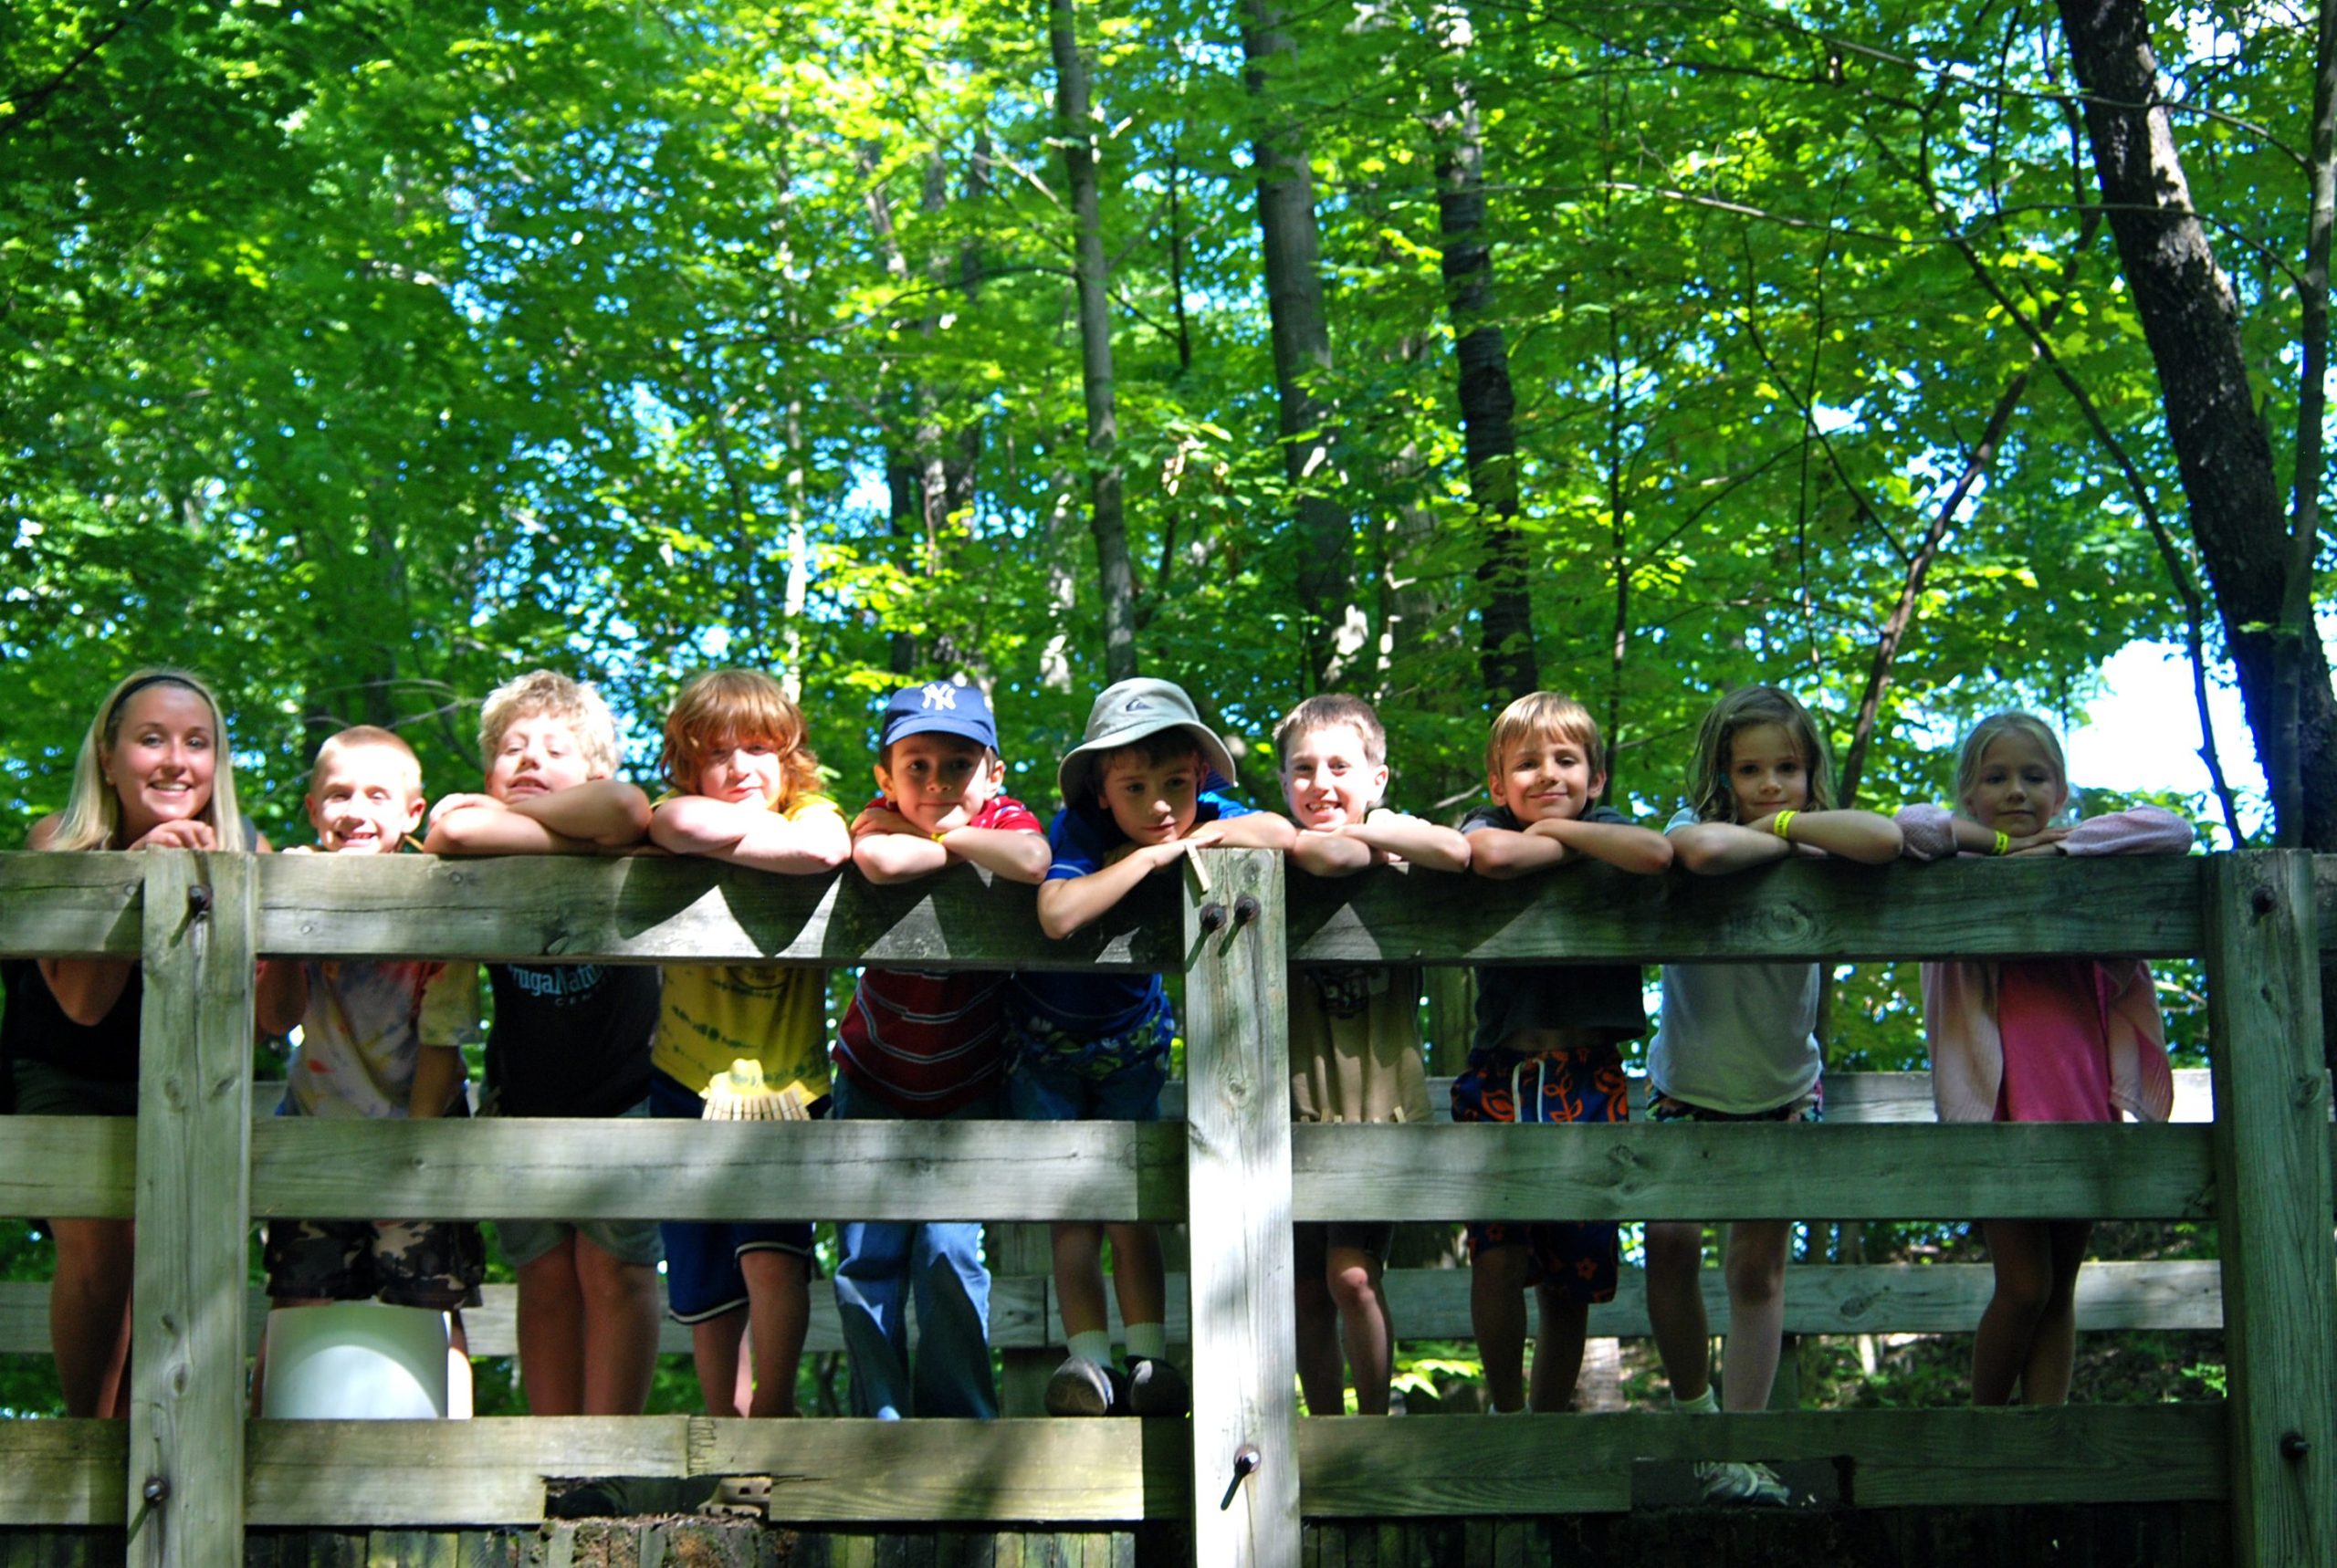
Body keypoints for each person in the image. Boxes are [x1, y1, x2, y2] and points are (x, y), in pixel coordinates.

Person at [1011, 676, 1297, 1416]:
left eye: (1176, 784)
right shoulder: (1077, 830)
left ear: (1200, 777)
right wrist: (1144, 862)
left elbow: (1284, 834)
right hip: (1046, 1049)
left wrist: (1202, 839)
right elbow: (1056, 914)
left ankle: (1148, 1363)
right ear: (1102, 795)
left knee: (1134, 1203)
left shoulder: (1205, 814)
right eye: (1134, 789)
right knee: (1073, 1208)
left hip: (1133, 1045)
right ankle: (1087, 1366)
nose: (1160, 806)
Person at [1641, 685, 1901, 1502]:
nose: (1769, 784)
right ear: (1722, 773)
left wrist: (1789, 827)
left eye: (1787, 768)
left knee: (1757, 1273)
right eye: (1750, 770)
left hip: (1783, 1090)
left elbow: (1886, 839)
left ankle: (1742, 1448)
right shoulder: (1692, 828)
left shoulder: (1819, 840)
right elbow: (1702, 853)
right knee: (1670, 1248)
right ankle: (1698, 1416)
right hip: (1685, 1087)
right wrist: (1782, 834)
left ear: (1811, 770)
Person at [1896, 711, 2191, 1406]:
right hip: (1999, 1109)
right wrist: (2001, 848)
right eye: (1995, 778)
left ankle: (2045, 1438)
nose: (2016, 792)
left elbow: (2172, 830)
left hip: (2081, 1099)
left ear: (2060, 792)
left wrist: (2060, 851)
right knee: (2024, 1285)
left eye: (2035, 777)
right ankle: (1988, 1430)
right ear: (1969, 794)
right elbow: (1910, 826)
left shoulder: (2082, 863)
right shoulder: (1963, 871)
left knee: (2059, 1289)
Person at [2, 668, 258, 1416]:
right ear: (108, 760)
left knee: (177, 1246)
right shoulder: (59, 840)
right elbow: (83, 1005)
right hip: (65, 1075)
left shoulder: (243, 846)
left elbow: (271, 1016)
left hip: (186, 1077)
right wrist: (144, 867)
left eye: (197, 743)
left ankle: (151, 1433)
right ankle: (89, 1439)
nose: (176, 761)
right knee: (100, 1237)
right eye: (152, 740)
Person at [424, 670, 661, 1416]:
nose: (530, 758)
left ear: (595, 770)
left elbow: (624, 809)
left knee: (614, 1271)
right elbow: (450, 829)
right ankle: (556, 1456)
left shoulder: (617, 828)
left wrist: (519, 822)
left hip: (625, 1094)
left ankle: (611, 1457)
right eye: (513, 749)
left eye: (556, 750)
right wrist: (538, 827)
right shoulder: (482, 838)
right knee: (546, 1276)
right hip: (523, 1096)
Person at [252, 727, 484, 1408]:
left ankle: (454, 1455)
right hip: (316, 1131)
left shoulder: (440, 900)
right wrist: (285, 918)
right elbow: (276, 1018)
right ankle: (271, 1450)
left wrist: (411, 1159)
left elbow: (442, 1047)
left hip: (418, 1130)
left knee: (430, 1302)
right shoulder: (297, 889)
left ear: (413, 813)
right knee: (299, 1296)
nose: (355, 810)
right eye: (338, 795)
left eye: (377, 795)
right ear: (312, 810)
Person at [838, 678, 1050, 1419]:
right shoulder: (876, 819)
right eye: (917, 767)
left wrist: (943, 838)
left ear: (994, 772)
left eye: (959, 765)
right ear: (886, 777)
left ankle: (961, 1423)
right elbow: (881, 865)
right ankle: (880, 1423)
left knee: (951, 1253)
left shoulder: (1002, 816)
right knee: (868, 1258)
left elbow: (1031, 858)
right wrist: (955, 844)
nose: (937, 783)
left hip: (968, 1080)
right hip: (874, 1075)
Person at [1456, 690, 1672, 1414]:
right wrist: (1567, 840)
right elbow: (1490, 856)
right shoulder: (1487, 823)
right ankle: (1505, 1416)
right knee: (1496, 1251)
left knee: (1571, 1270)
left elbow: (1655, 853)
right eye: (1526, 764)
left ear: (1597, 777)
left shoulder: (1610, 826)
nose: (1548, 775)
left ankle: (1547, 1425)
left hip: (1590, 1073)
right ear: (1497, 784)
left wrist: (1558, 834)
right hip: (1503, 1070)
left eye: (1566, 761)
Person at [645, 668, 850, 1419]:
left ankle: (774, 1412)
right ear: (688, 765)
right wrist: (767, 846)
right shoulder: (675, 809)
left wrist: (733, 846)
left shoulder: (814, 811)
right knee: (701, 1271)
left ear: (790, 758)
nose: (739, 768)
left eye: (759, 750)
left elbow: (823, 852)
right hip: (685, 1077)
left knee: (772, 1256)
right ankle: (721, 1425)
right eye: (717, 754)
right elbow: (676, 827)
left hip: (784, 1082)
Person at [1275, 694, 1469, 1416]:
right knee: (1303, 1289)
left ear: (1377, 779)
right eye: (1303, 769)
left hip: (1378, 1110)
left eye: (1340, 767)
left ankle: (1376, 1424)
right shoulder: (1279, 857)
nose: (1320, 783)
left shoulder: (1401, 851)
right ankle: (1327, 1435)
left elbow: (1457, 853)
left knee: (1351, 1276)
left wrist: (1380, 831)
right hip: (1294, 1113)